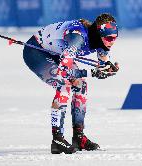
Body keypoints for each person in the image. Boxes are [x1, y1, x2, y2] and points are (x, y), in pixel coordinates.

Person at [22, 13, 119, 154]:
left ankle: (79, 137)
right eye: (109, 38)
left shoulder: (101, 40)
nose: (112, 42)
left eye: (115, 38)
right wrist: (92, 72)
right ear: (99, 34)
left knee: (81, 85)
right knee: (64, 86)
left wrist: (107, 69)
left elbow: (103, 63)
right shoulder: (77, 39)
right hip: (36, 52)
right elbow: (64, 72)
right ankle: (57, 139)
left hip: (57, 52)